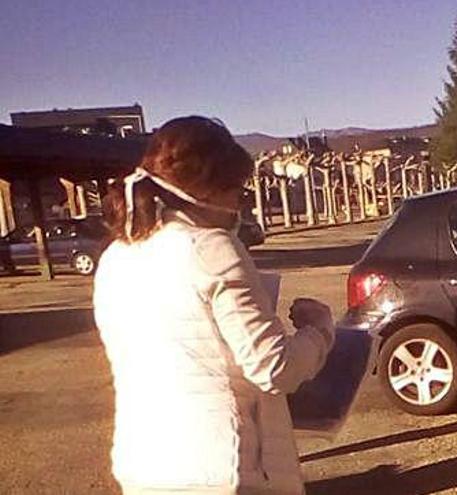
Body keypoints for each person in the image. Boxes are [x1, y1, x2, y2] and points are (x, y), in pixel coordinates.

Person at [93, 116, 335, 494]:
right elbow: (274, 368)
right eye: (237, 192)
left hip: (145, 466)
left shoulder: (114, 259)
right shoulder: (211, 248)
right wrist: (320, 332)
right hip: (222, 470)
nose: (240, 205)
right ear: (207, 191)